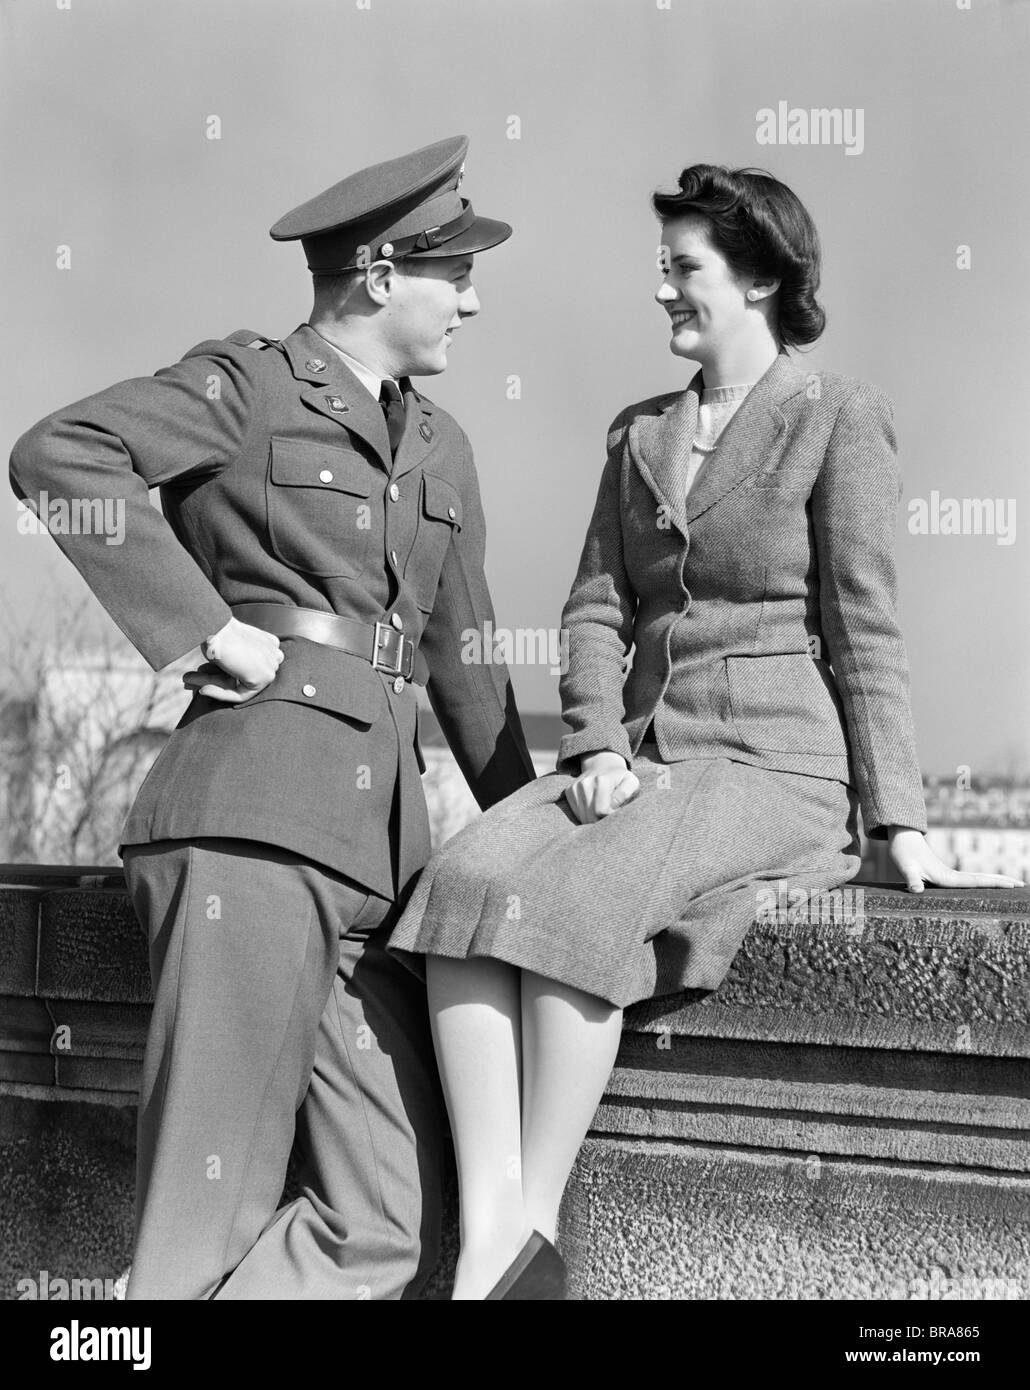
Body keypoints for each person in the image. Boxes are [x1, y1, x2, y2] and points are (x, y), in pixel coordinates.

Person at [387, 162, 1025, 1300]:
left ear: (762, 279)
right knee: (466, 876)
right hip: (642, 757)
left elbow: (863, 621)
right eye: (663, 269)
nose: (662, 292)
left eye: (683, 269)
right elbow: (594, 610)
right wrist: (589, 750)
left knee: (578, 903)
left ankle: (526, 1225)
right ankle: (497, 1236)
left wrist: (902, 818)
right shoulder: (636, 433)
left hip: (775, 764)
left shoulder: (838, 415)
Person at [9, 135, 536, 1299]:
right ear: (380, 272)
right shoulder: (249, 385)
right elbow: (60, 453)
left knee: (385, 1225)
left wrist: (546, 829)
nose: (476, 299)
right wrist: (201, 627)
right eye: (455, 270)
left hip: (383, 868)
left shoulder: (444, 446)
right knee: (207, 1210)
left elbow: (467, 665)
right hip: (250, 826)